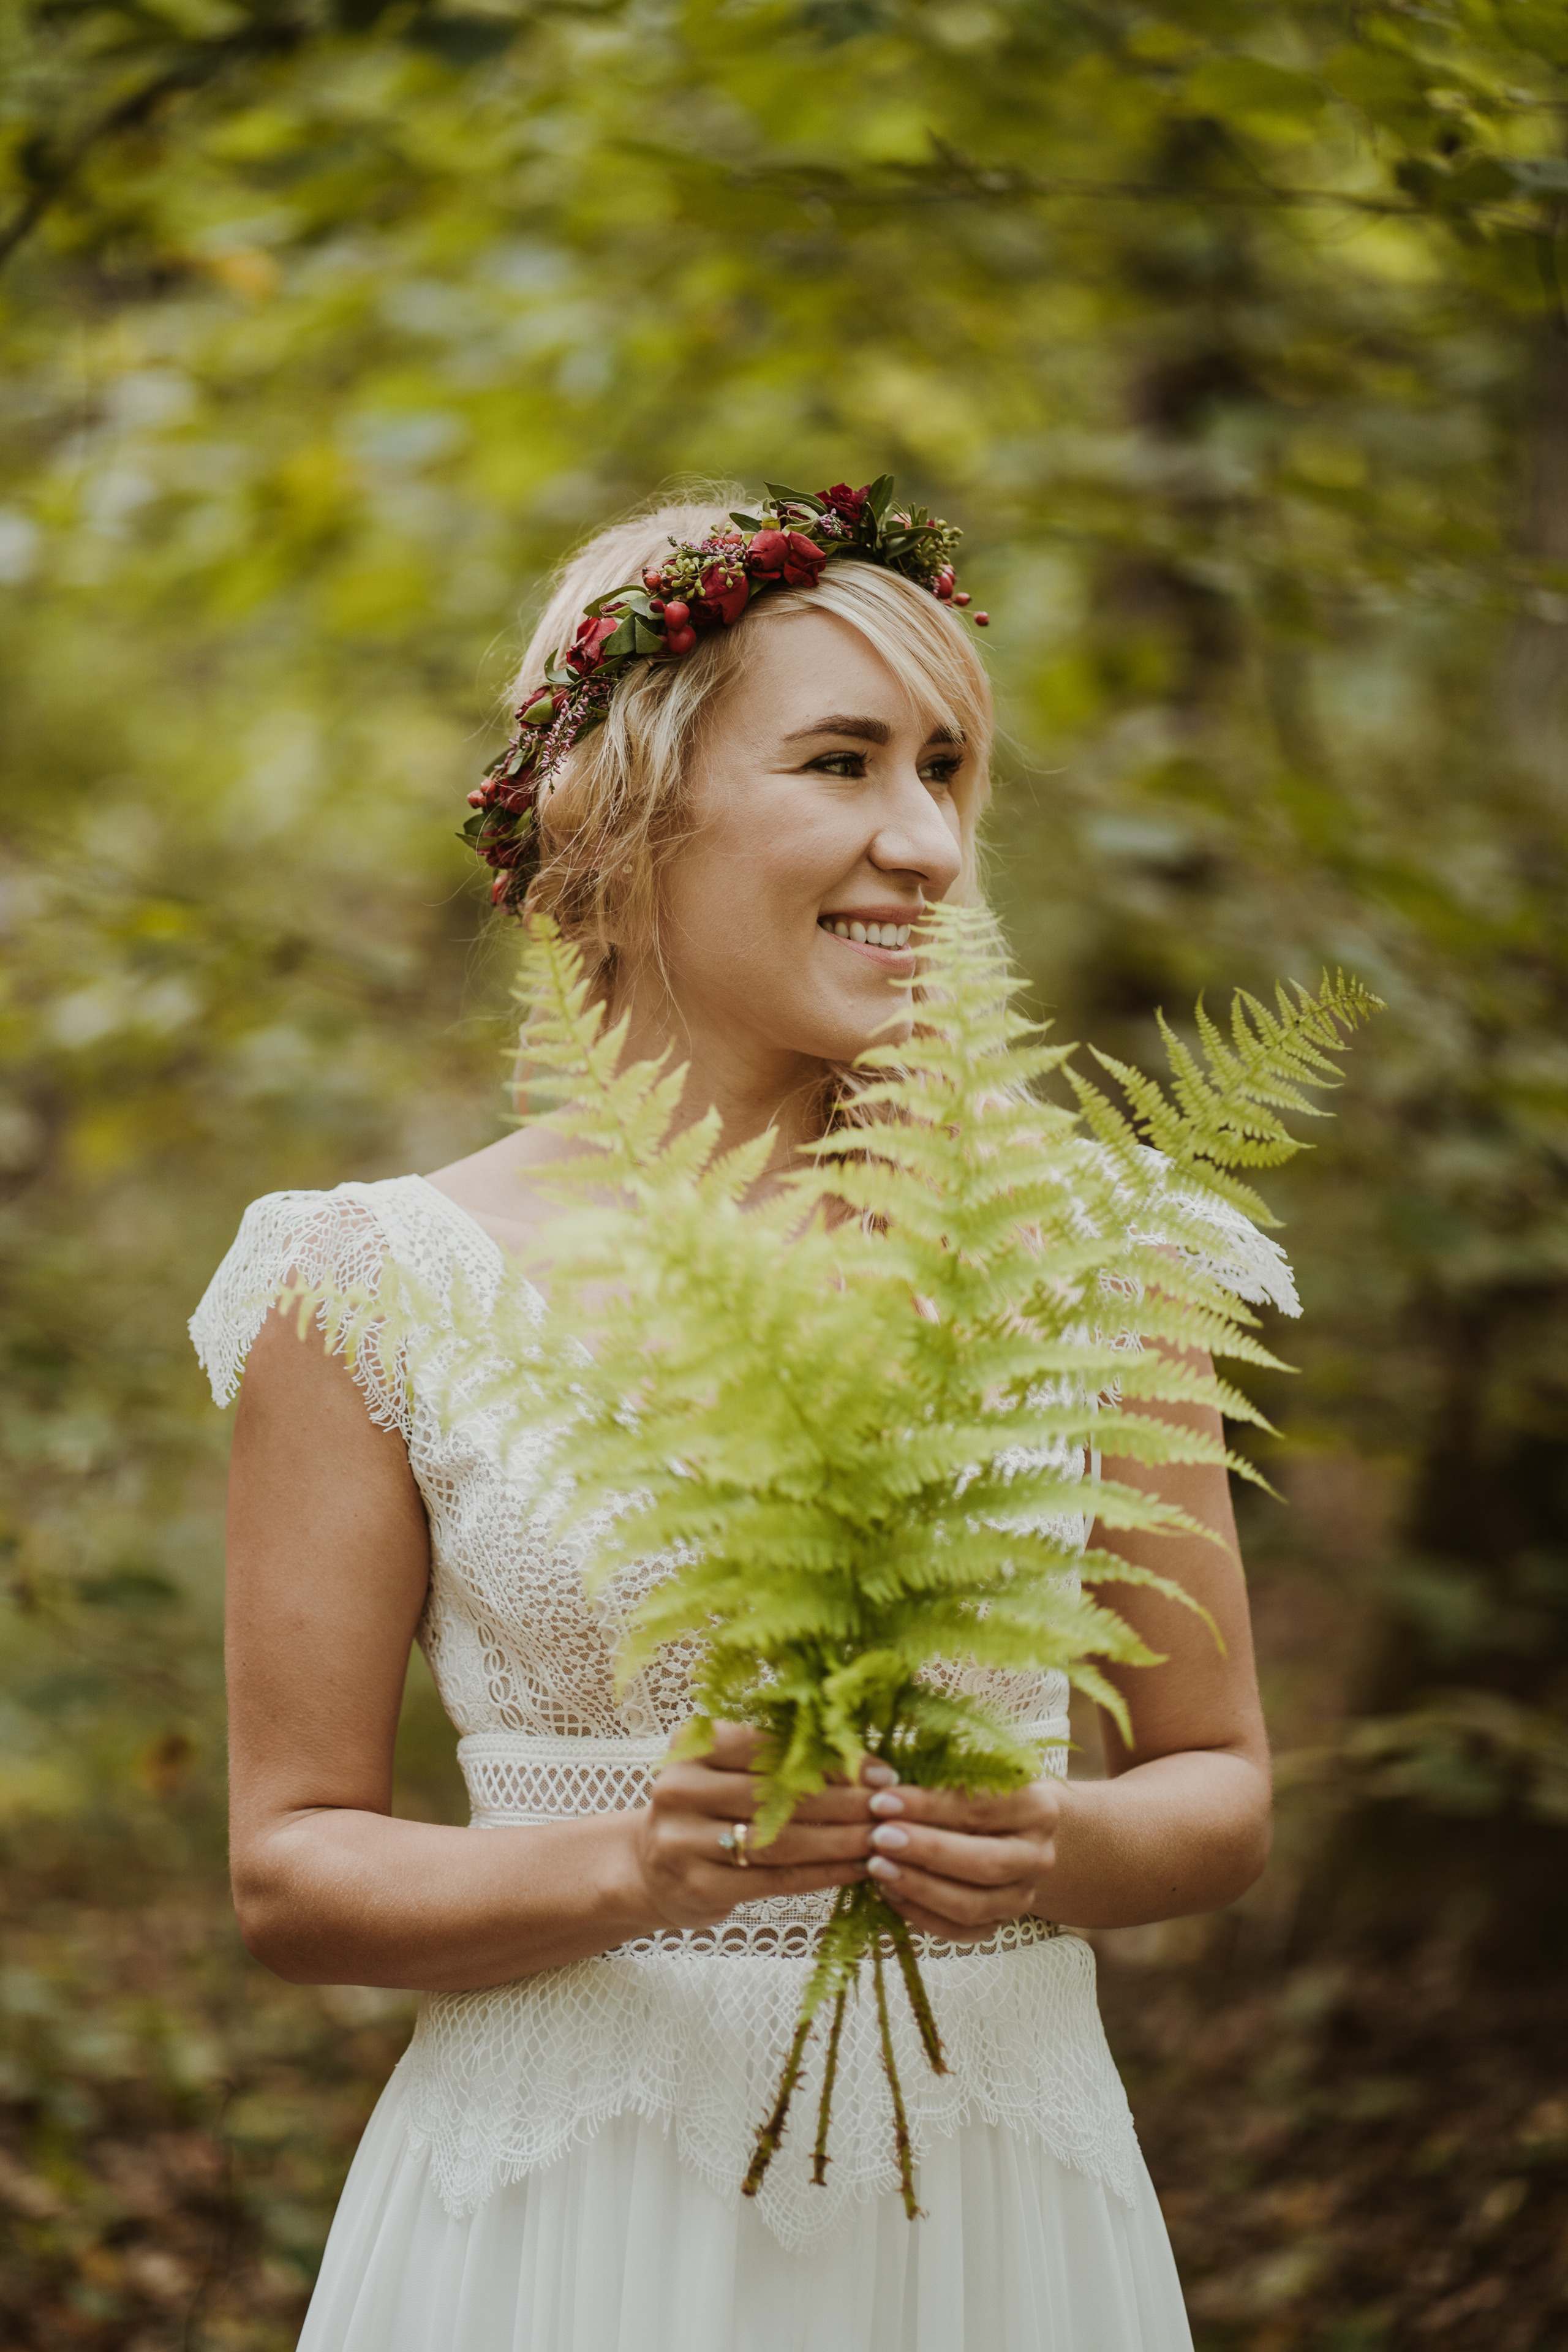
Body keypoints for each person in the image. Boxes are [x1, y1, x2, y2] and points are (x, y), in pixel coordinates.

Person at [192, 483, 1290, 2352]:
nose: (927, 841)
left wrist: (1049, 1842)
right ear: (625, 807)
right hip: (562, 2222)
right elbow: (295, 1866)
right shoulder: (367, 1284)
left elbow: (1220, 1786)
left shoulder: (1098, 1255)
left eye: (947, 768)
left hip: (993, 2212)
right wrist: (629, 1866)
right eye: (845, 762)